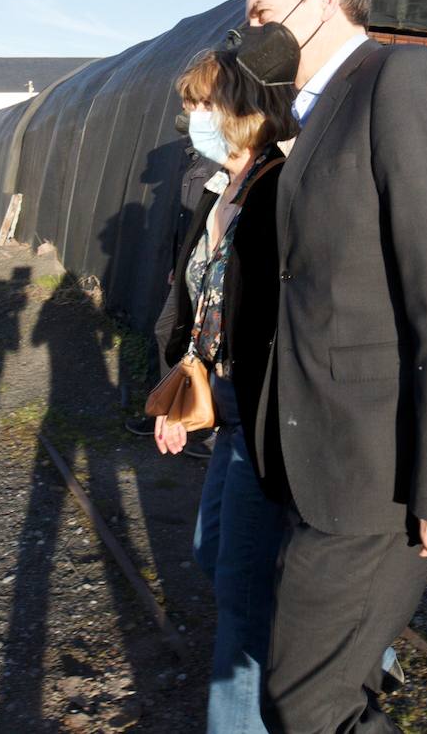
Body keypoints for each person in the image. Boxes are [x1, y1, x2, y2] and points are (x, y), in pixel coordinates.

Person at [235, 0, 427, 733]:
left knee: (309, 701)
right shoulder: (311, 115)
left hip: (374, 474)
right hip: (316, 460)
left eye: (261, 13)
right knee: (317, 693)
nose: (250, 33)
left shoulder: (401, 80)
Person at [153, 47, 295, 732]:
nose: (192, 117)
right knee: (214, 553)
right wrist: (183, 392)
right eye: (190, 103)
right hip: (225, 403)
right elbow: (200, 306)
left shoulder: (280, 188)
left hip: (270, 409)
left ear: (242, 108)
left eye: (203, 103)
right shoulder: (213, 190)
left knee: (237, 585)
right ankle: (328, 647)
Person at [126, 112, 220, 459]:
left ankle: (199, 423)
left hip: (207, 271)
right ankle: (170, 411)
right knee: (171, 334)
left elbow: (213, 224)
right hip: (187, 269)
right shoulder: (195, 162)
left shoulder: (215, 165)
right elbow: (187, 223)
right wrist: (176, 265)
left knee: (194, 341)